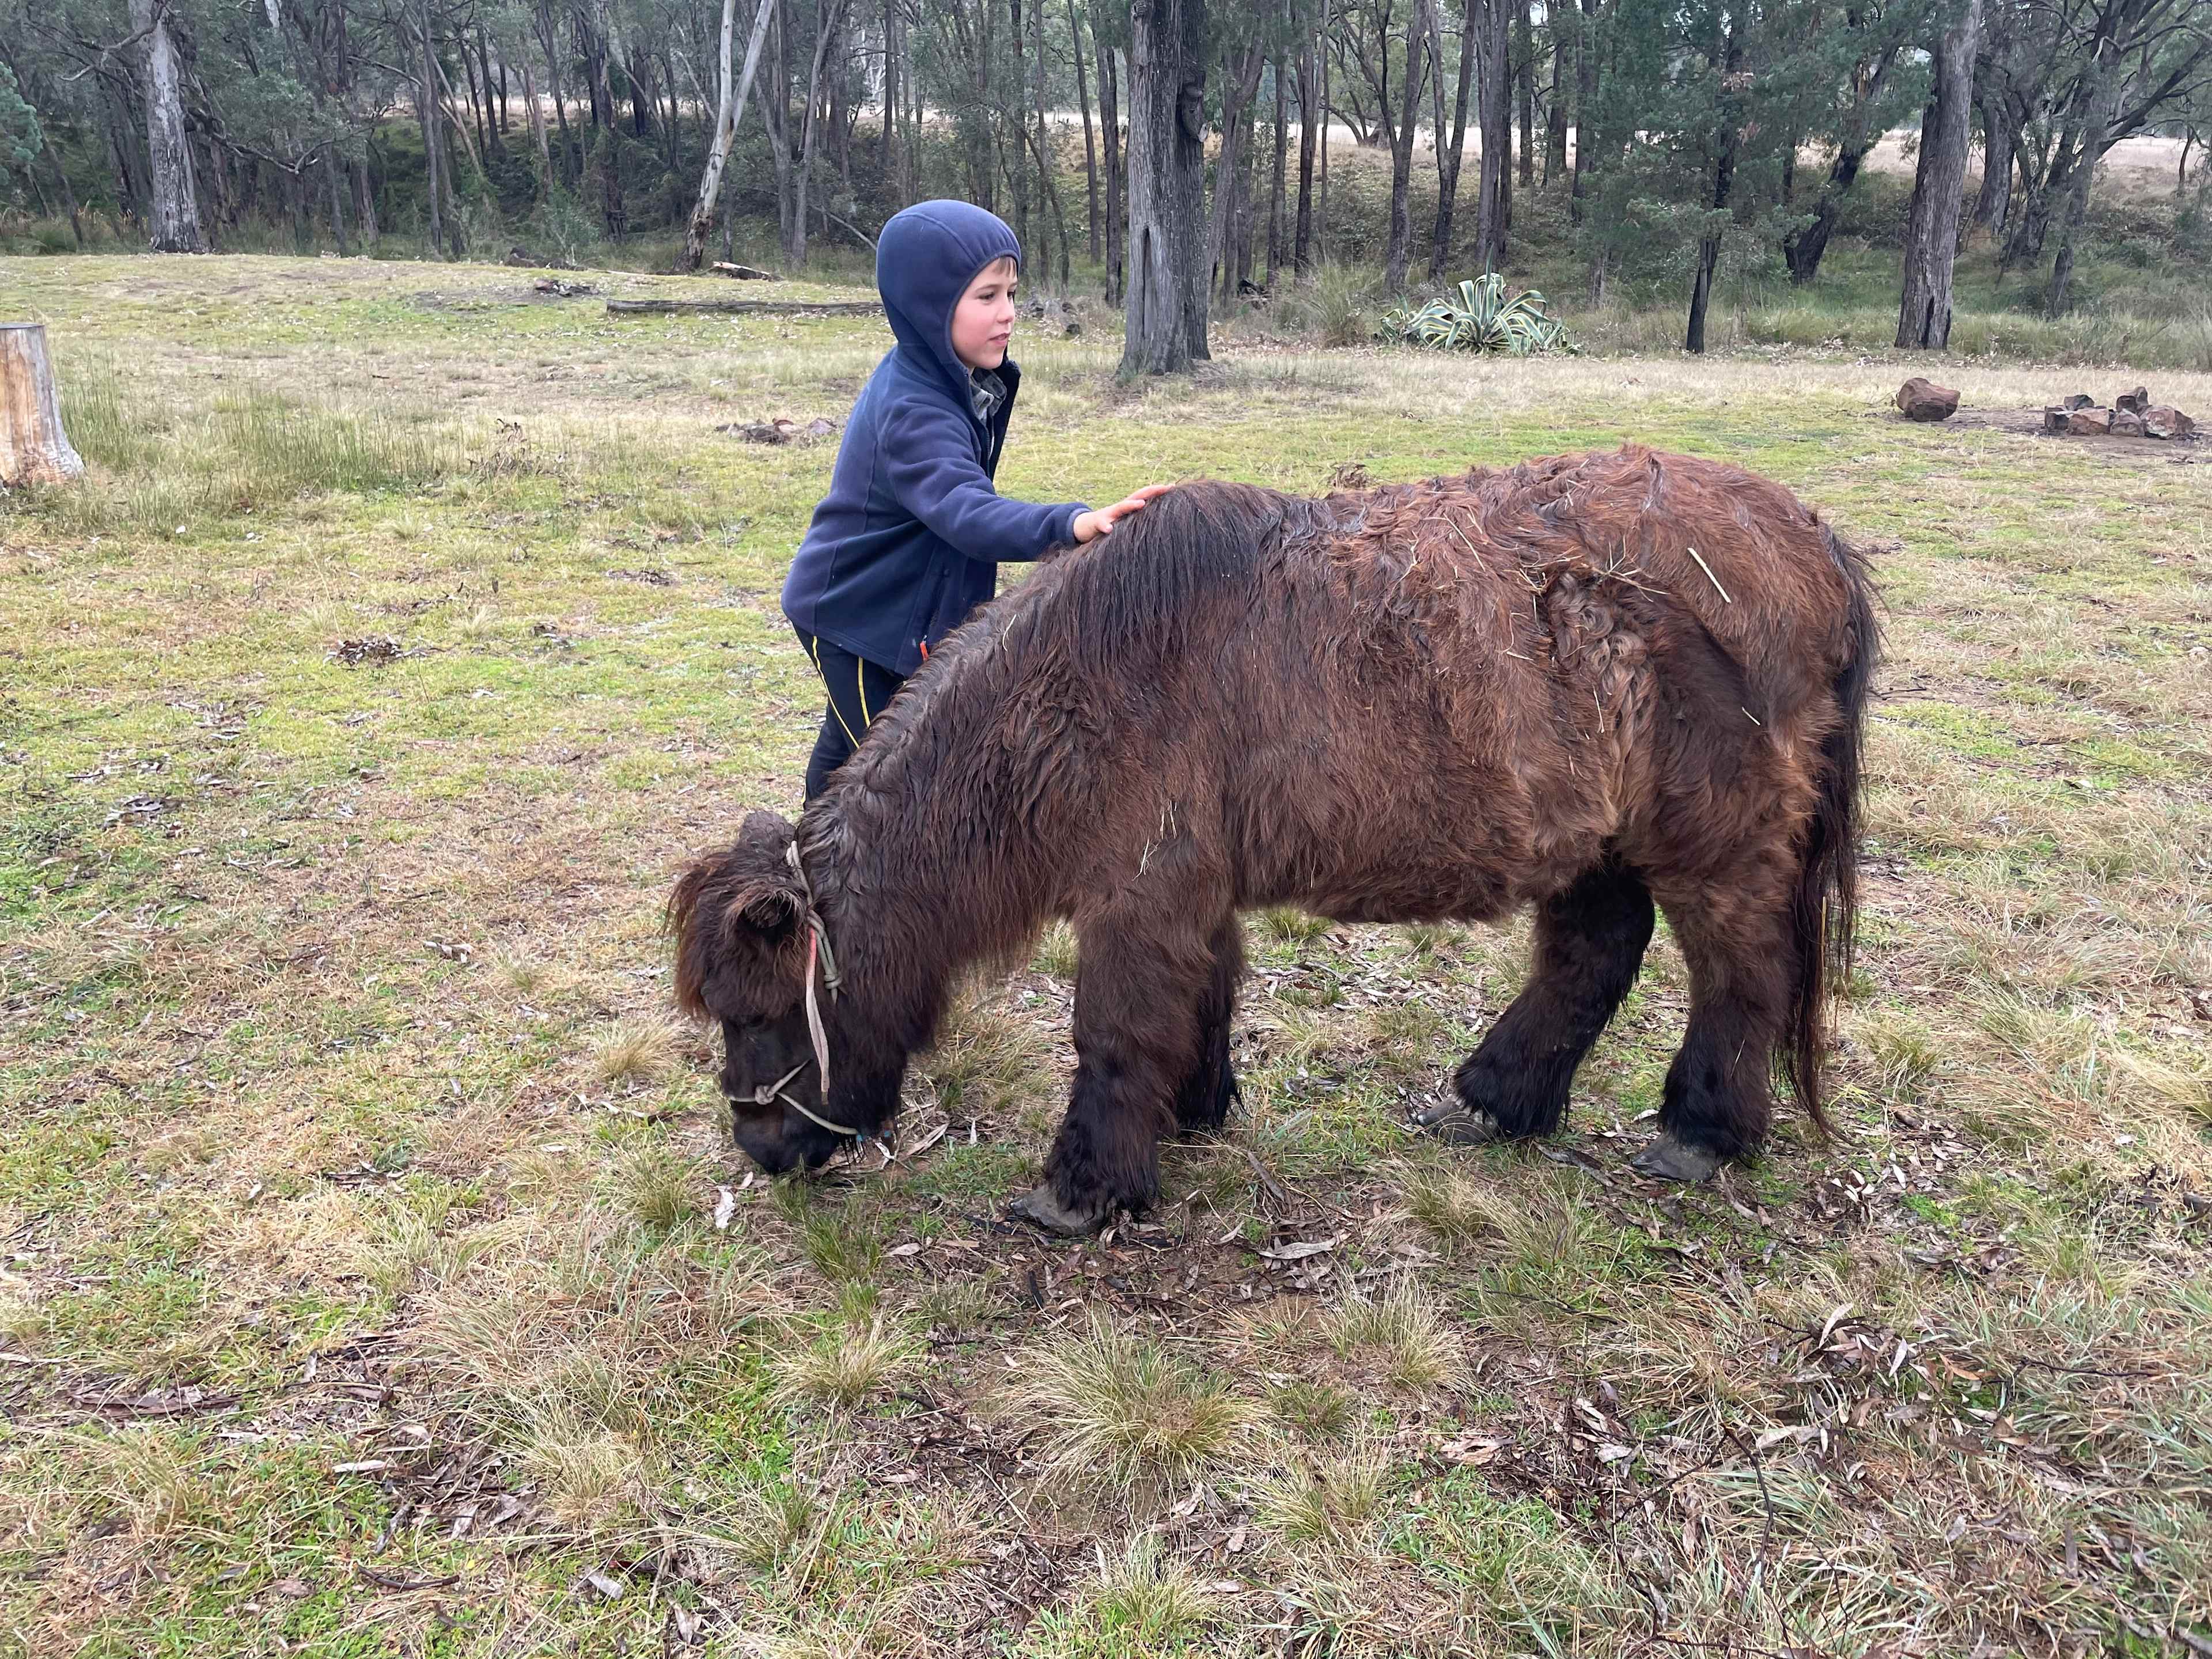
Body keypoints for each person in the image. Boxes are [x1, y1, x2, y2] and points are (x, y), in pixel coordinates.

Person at [781, 199, 1169, 801]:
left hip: (905, 612)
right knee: (892, 781)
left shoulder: (958, 379)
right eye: (986, 297)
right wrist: (1072, 523)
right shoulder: (914, 406)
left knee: (852, 747)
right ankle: (847, 878)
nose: (1009, 314)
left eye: (1012, 293)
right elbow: (965, 509)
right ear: (930, 306)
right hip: (854, 619)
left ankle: (801, 866)